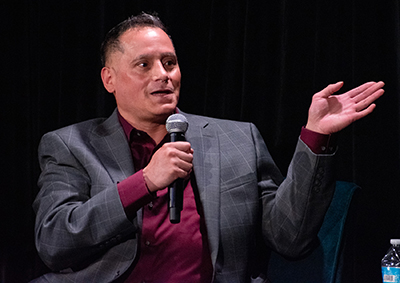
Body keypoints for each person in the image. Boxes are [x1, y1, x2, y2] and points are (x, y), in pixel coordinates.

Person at [31, 12, 384, 283]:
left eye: (169, 62)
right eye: (144, 65)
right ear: (109, 78)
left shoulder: (237, 139)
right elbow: (55, 243)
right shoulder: (70, 145)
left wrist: (315, 136)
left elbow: (289, 237)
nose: (163, 75)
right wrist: (145, 182)